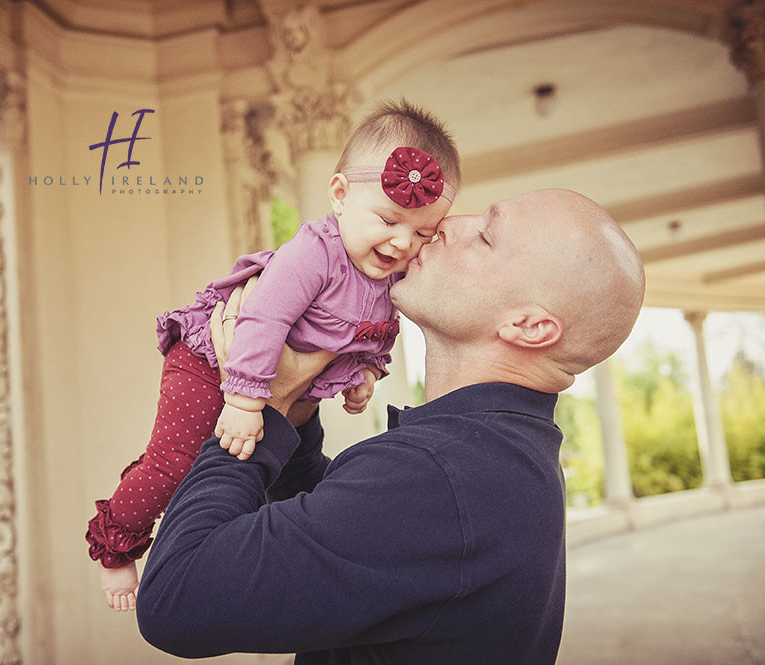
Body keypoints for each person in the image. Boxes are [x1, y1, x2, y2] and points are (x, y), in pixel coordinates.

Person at [135, 188, 646, 665]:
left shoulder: (441, 475)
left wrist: (254, 406)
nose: (447, 223)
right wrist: (297, 403)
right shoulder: (495, 458)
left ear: (529, 327)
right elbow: (335, 531)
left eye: (487, 235)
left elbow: (176, 598)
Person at [85, 101, 462, 612]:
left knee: (294, 479)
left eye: (421, 233)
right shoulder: (316, 252)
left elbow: (377, 333)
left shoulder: (386, 275)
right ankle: (114, 546)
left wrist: (367, 373)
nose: (401, 243)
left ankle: (299, 570)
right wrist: (242, 401)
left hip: (274, 393)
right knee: (174, 462)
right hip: (212, 365)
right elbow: (263, 318)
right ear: (340, 195)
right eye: (389, 219)